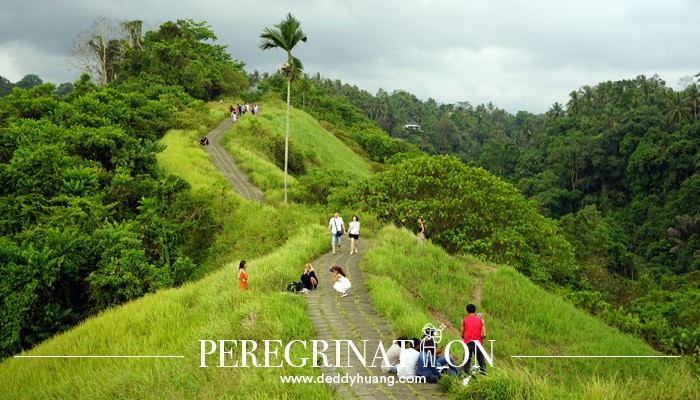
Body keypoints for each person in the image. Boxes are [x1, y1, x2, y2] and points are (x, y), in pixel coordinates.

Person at [461, 304, 487, 373]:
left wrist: (466, 338)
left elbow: (462, 334)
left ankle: (465, 376)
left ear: (467, 311)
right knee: (481, 360)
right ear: (475, 311)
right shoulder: (481, 320)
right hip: (477, 342)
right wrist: (480, 338)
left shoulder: (463, 320)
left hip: (468, 342)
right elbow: (484, 334)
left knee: (466, 361)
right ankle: (484, 375)